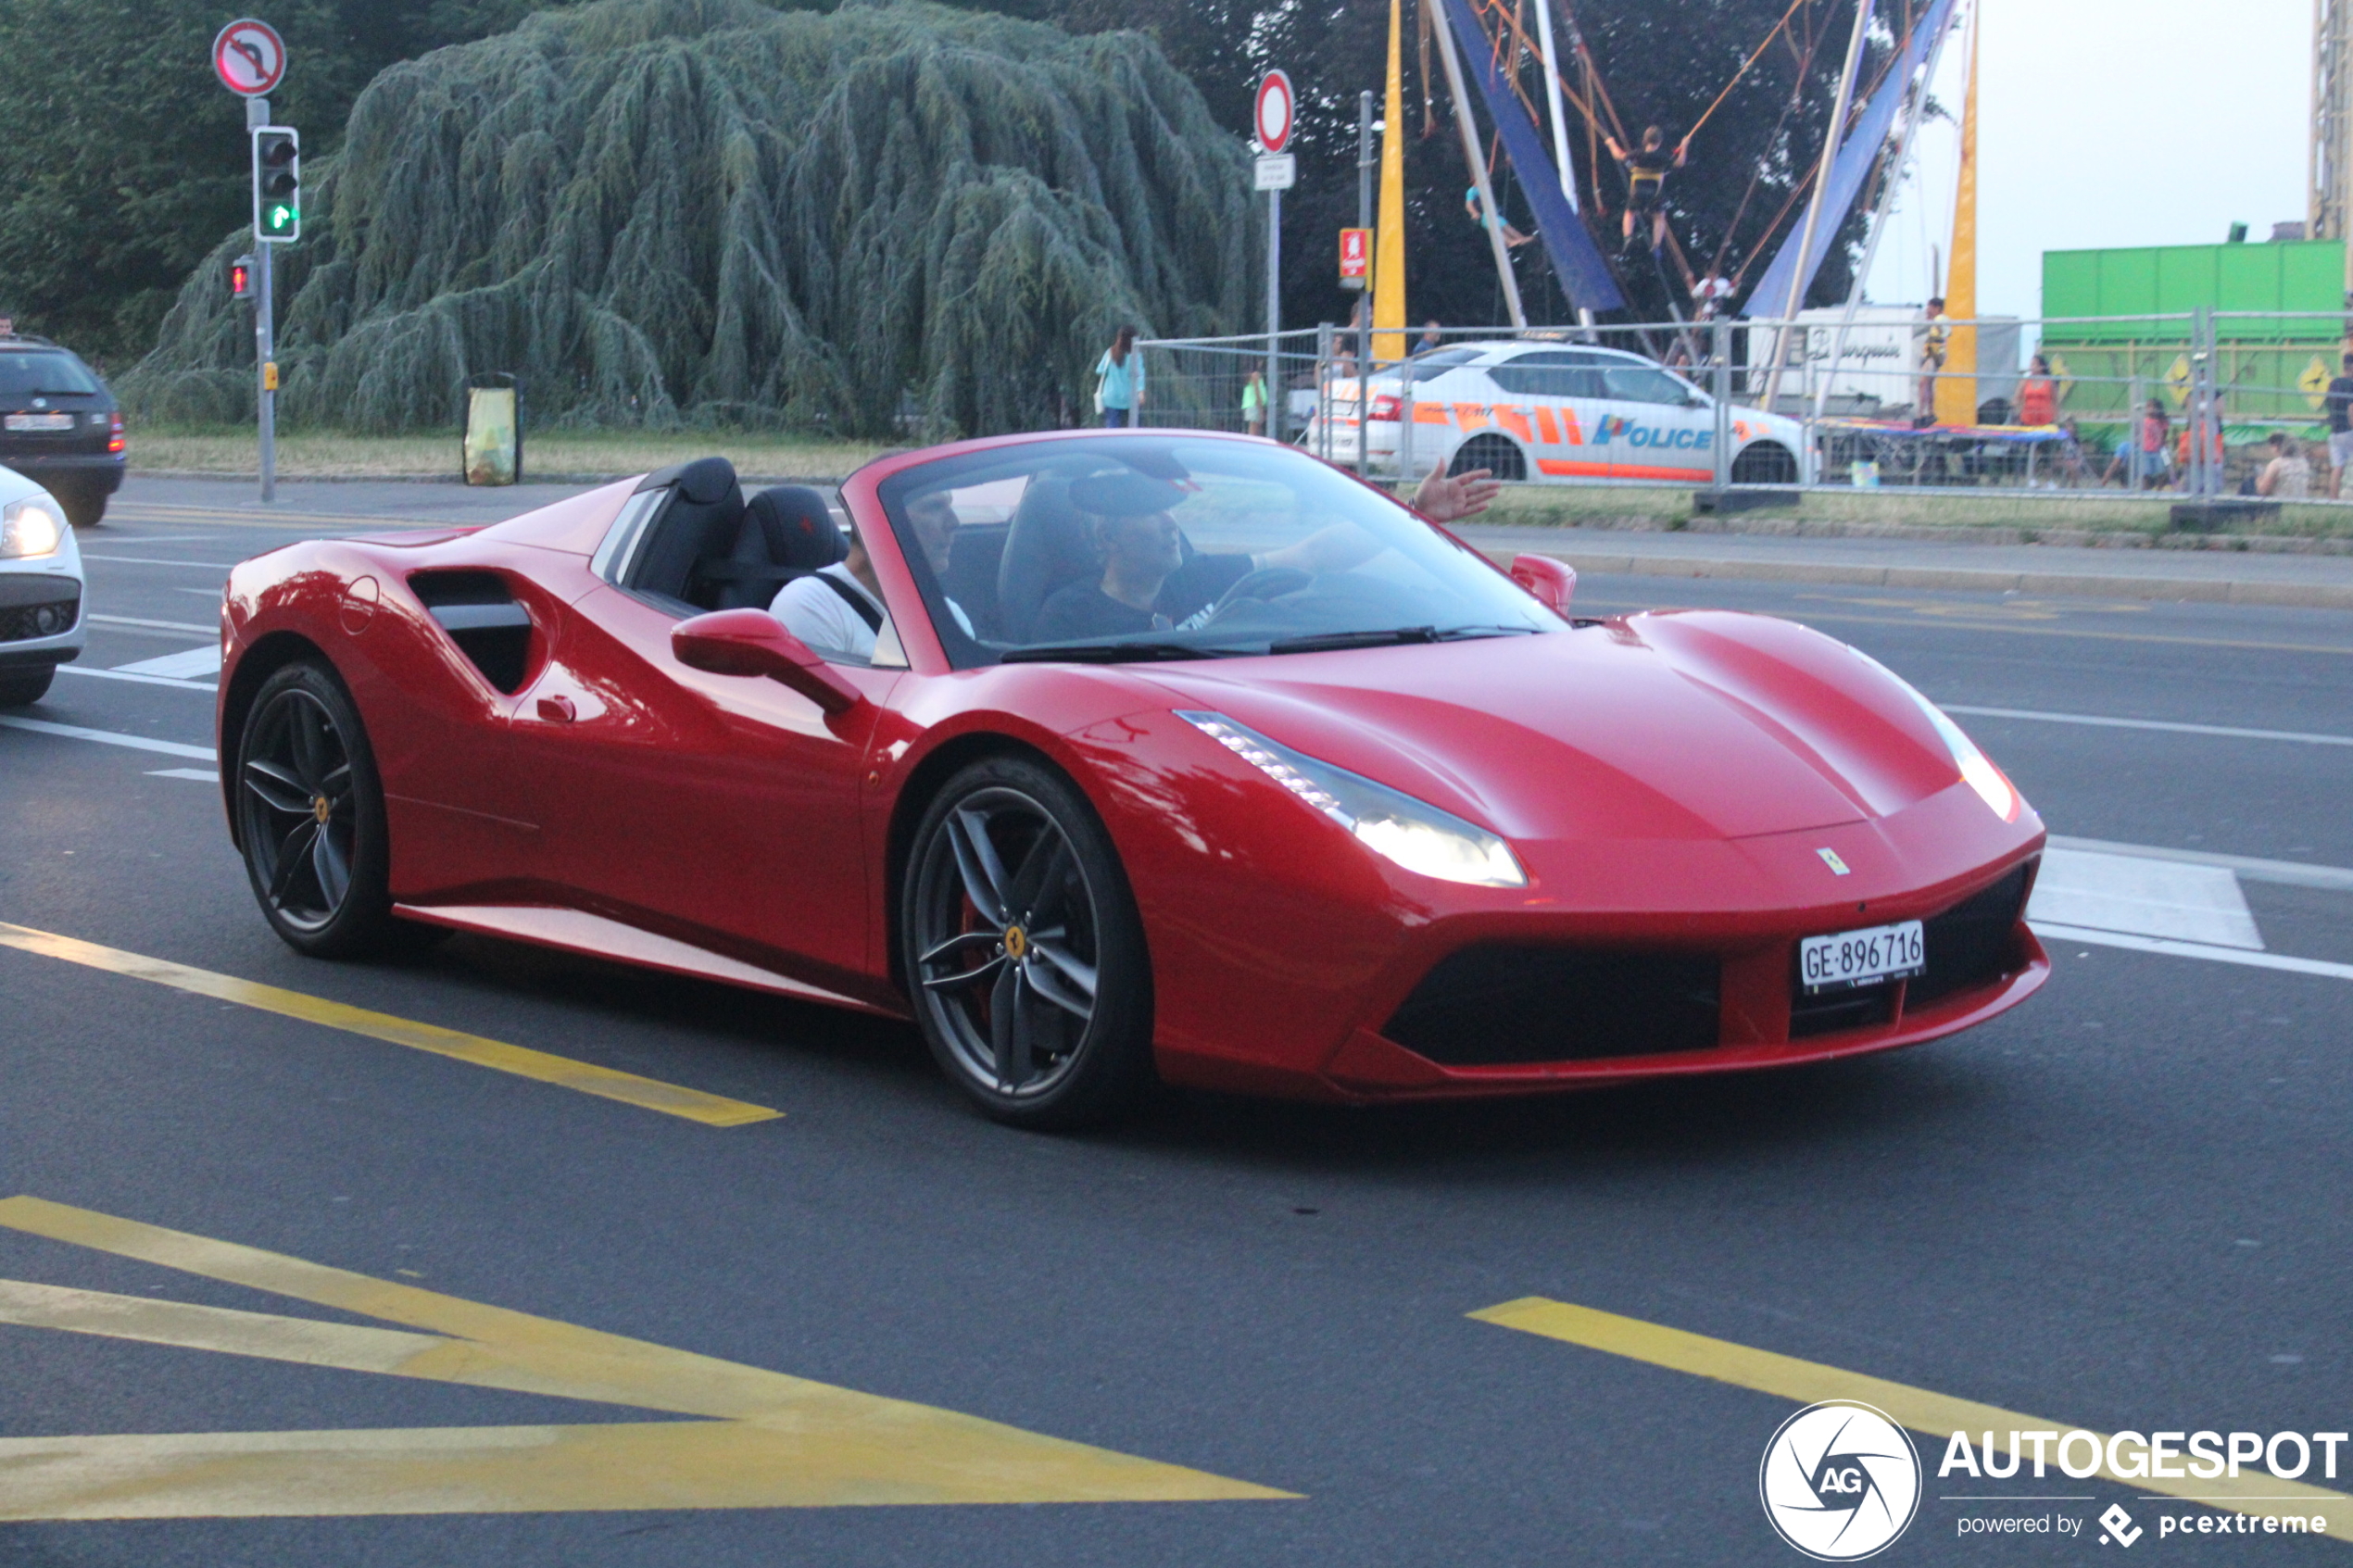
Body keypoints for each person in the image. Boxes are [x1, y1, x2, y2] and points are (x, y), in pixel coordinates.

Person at [1029, 467, 1504, 644]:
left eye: (1169, 512)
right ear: (1109, 539)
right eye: (1151, 515)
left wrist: (1415, 514)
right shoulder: (1070, 617)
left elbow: (1314, 555)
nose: (1170, 525)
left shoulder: (1198, 578)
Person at [769, 486, 972, 659]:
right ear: (878, 518)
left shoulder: (948, 614)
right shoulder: (811, 604)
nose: (954, 522)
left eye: (949, 506)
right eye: (934, 507)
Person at [1603, 125, 1685, 254]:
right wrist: (1684, 146)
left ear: (1645, 140)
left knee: (1630, 213)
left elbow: (1618, 155)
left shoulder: (1638, 154)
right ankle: (1656, 244)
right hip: (1654, 193)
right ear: (1660, 141)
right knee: (1659, 217)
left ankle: (1628, 236)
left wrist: (1611, 143)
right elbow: (1679, 163)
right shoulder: (1663, 156)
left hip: (1637, 190)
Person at [1095, 326, 1144, 428]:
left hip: (1110, 397)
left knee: (1112, 429)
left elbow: (1099, 370)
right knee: (1133, 428)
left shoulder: (1110, 352)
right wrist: (1141, 393)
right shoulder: (1135, 356)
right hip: (1129, 397)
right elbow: (1140, 375)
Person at [1464, 184, 1536, 248]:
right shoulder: (1472, 190)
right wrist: (1474, 213)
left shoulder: (1485, 188)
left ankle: (1520, 238)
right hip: (1485, 215)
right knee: (1498, 229)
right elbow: (1469, 205)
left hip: (1492, 213)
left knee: (1506, 226)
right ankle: (1510, 241)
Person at [2325, 352, 2353, 497]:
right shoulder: (2351, 384)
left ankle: (2333, 500)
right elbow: (2351, 408)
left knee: (2337, 468)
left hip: (2334, 431)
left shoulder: (2333, 383)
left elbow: (2328, 405)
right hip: (2348, 431)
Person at [1917, 298, 1949, 416]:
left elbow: (1945, 333)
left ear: (1937, 308)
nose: (1927, 310)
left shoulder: (1940, 319)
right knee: (1928, 384)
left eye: (1929, 307)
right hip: (1930, 353)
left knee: (1923, 383)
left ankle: (1921, 412)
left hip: (1934, 354)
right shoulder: (1936, 320)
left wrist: (1935, 323)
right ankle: (1930, 411)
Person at [2256, 432, 2312, 497]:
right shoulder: (2303, 462)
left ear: (2275, 447)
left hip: (2281, 504)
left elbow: (2263, 490)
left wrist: (2259, 477)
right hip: (2299, 504)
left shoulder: (2276, 464)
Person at [2018, 354, 2058, 426]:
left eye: (2034, 364)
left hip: (2046, 420)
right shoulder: (2025, 381)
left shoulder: (2049, 382)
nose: (2031, 367)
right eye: (2031, 364)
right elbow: (2017, 398)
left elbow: (2055, 402)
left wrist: (2056, 419)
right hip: (2027, 419)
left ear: (2041, 366)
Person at [1241, 367, 1267, 438]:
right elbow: (1257, 391)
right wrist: (1260, 408)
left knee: (1255, 430)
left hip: (1253, 405)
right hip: (1254, 405)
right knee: (1253, 432)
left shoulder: (1253, 376)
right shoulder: (1255, 375)